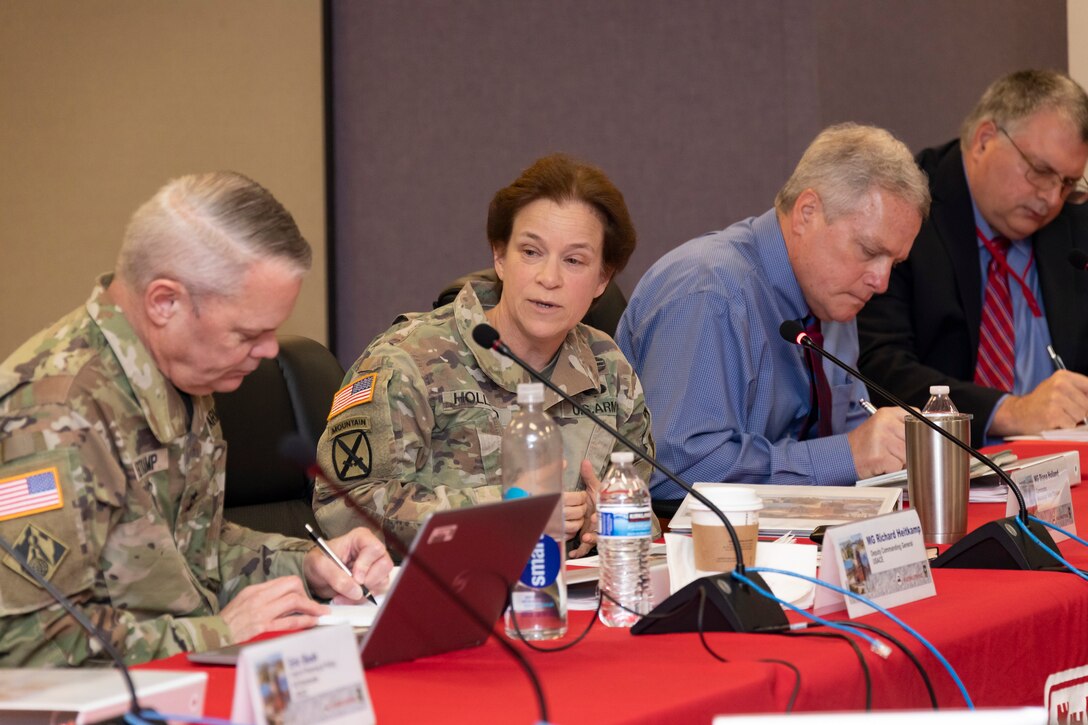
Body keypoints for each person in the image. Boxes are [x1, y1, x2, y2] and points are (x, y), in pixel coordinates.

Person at [0, 172, 393, 667]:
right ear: (165, 303)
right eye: (248, 334)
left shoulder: (182, 371)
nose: (269, 351)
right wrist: (218, 633)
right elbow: (30, 644)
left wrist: (311, 564)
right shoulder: (52, 411)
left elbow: (189, 550)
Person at [314, 153, 655, 556]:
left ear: (602, 279)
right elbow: (343, 507)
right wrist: (507, 513)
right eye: (530, 252)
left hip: (569, 596)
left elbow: (641, 500)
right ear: (499, 257)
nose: (549, 279)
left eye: (574, 261)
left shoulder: (608, 368)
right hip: (437, 597)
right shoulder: (408, 359)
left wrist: (612, 520)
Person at [615, 124, 929, 508]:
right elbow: (675, 471)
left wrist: (890, 448)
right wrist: (849, 454)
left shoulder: (833, 298)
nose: (881, 282)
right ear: (807, 213)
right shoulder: (709, 293)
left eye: (893, 263)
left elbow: (851, 435)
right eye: (867, 251)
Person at [858, 69, 1088, 444]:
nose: (1051, 199)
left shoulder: (1074, 223)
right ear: (984, 139)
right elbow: (878, 368)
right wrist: (1009, 411)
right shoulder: (906, 213)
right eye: (1040, 172)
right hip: (944, 464)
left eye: (1067, 183)